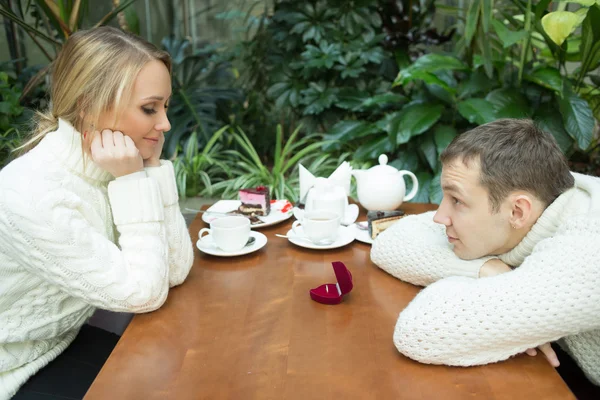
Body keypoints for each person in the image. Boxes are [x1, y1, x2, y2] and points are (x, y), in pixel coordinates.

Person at [0, 26, 194, 399]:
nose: (165, 123)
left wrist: (151, 170)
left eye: (165, 107)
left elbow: (174, 270)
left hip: (63, 340)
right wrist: (135, 182)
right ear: (89, 105)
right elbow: (143, 295)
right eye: (149, 108)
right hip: (13, 367)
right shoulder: (32, 194)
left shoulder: (114, 167)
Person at [371, 119, 600, 397]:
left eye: (457, 201)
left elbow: (420, 331)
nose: (439, 217)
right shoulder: (536, 200)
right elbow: (391, 240)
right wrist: (487, 269)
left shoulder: (588, 247)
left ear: (518, 212)